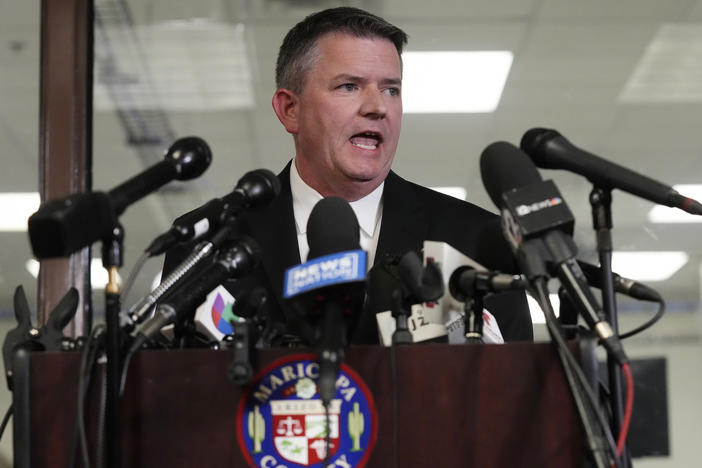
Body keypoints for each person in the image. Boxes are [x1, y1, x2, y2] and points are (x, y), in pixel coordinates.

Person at [167, 7, 533, 344]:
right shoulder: (209, 246)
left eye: (391, 89)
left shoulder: (478, 245)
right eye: (349, 86)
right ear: (289, 109)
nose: (377, 107)